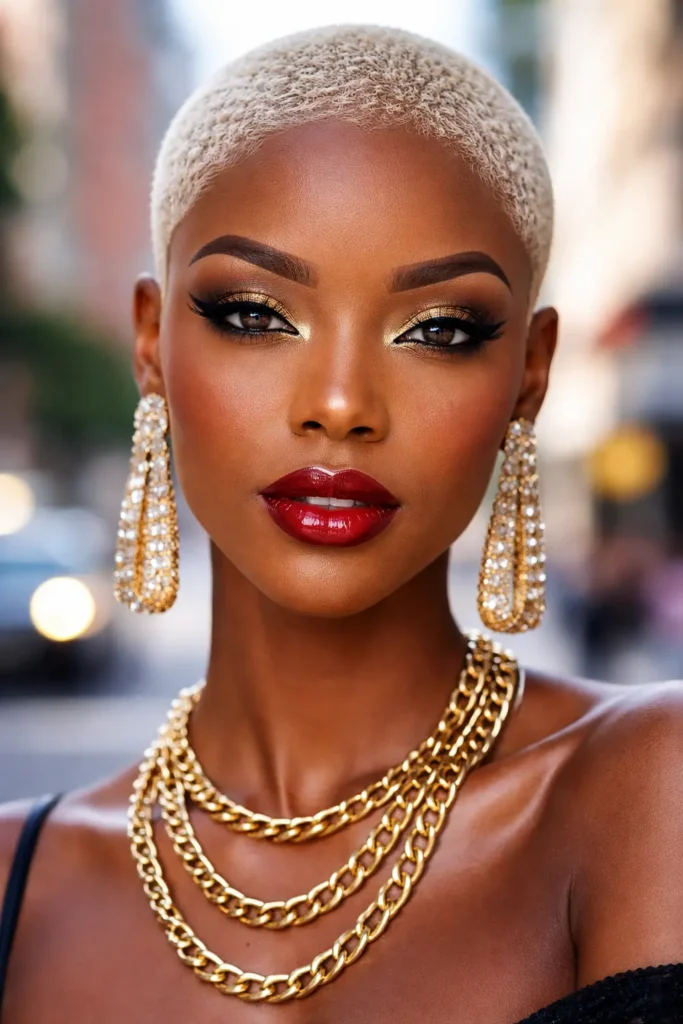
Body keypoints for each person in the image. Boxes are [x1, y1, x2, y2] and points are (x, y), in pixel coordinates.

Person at [0, 25, 682, 1024]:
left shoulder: (646, 787)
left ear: (527, 376)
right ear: (151, 343)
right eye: (253, 313)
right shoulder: (18, 880)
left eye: (439, 330)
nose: (338, 401)